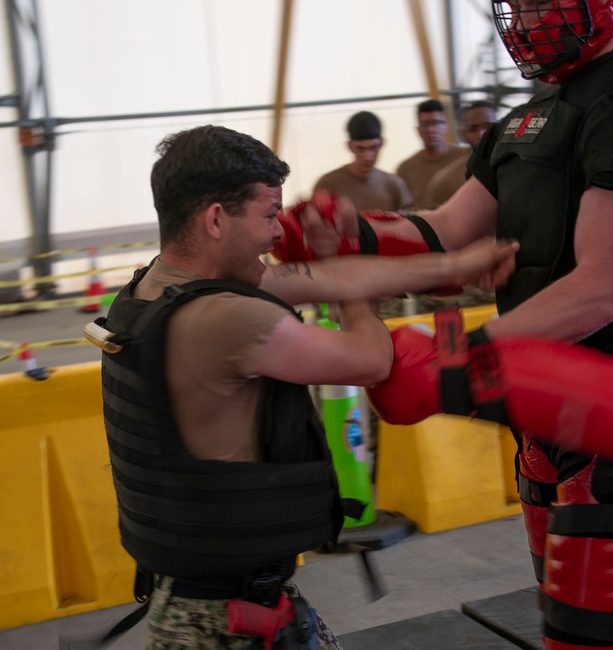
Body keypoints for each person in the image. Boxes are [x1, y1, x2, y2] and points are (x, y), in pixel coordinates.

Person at [273, 0, 613, 649]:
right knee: (562, 610)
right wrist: (347, 231)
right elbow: (447, 227)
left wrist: (454, 351)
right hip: (547, 392)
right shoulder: (528, 118)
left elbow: (600, 292)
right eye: (516, 3)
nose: (527, 19)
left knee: (602, 633)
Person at [87, 124, 517, 650]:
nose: (276, 233)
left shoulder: (152, 285)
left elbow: (328, 280)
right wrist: (348, 287)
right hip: (225, 621)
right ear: (216, 219)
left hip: (197, 595)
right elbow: (371, 358)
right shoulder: (225, 318)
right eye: (268, 216)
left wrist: (455, 265)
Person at [312, 111, 413, 213]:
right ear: (350, 147)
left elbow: (408, 223)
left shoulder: (394, 185)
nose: (367, 157)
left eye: (373, 147)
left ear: (382, 144)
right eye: (360, 149)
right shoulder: (328, 184)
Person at [421, 100, 500, 209]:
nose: (481, 134)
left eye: (488, 126)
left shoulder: (521, 167)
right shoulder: (445, 181)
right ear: (463, 134)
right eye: (473, 129)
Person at [395, 99, 471, 211]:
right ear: (418, 130)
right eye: (425, 124)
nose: (430, 129)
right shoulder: (405, 169)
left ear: (447, 126)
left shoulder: (466, 156)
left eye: (435, 123)